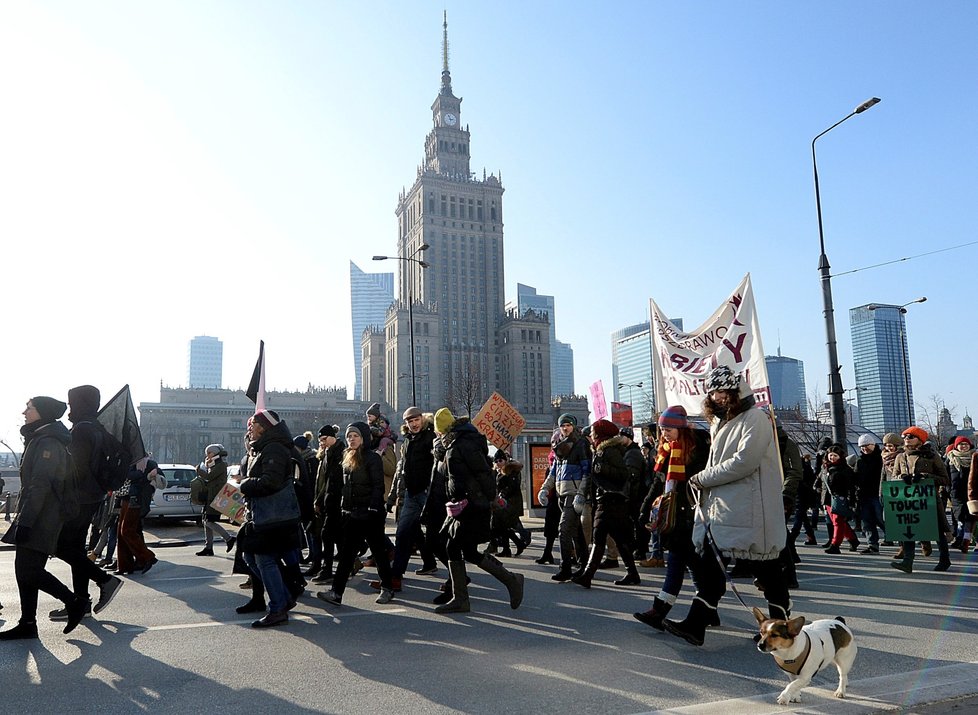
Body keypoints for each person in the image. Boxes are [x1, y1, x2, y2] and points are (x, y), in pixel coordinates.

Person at [663, 366, 790, 647]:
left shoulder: (755, 418)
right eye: (712, 392)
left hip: (752, 509)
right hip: (727, 509)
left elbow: (745, 461)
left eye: (721, 390)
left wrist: (701, 479)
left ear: (734, 390)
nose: (716, 396)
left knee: (767, 570)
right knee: (712, 566)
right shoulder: (721, 423)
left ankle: (780, 625)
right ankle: (697, 624)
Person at [0, 397, 89, 640]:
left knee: (29, 570)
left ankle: (73, 602)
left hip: (43, 516)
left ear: (43, 412)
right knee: (24, 570)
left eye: (29, 408)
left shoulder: (48, 442)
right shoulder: (40, 438)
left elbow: (40, 485)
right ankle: (28, 623)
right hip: (37, 513)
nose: (24, 412)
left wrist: (26, 522)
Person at [429, 407, 524, 614]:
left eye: (437, 432)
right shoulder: (454, 445)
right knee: (465, 550)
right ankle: (509, 581)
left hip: (473, 505)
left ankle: (463, 598)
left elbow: (483, 473)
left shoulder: (462, 445)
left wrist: (491, 499)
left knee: (454, 547)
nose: (436, 436)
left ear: (443, 430)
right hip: (463, 504)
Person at [633, 405, 710, 629]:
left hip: (691, 512)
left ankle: (659, 610)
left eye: (668, 429)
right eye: (662, 429)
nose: (664, 434)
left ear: (680, 427)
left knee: (677, 561)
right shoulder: (666, 450)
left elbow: (698, 479)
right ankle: (707, 608)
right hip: (673, 513)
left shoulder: (697, 447)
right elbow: (659, 482)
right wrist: (645, 507)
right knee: (692, 563)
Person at [51, 385, 123, 621]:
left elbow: (75, 469)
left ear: (80, 404)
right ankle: (81, 602)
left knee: (61, 546)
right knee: (76, 549)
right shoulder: (97, 427)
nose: (69, 408)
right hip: (93, 496)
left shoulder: (81, 430)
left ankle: (105, 580)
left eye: (72, 404)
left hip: (79, 498)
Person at [236, 409, 303, 627]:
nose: (249, 427)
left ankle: (278, 608)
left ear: (264, 427)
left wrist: (245, 484)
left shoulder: (274, 448)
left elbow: (270, 482)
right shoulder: (266, 447)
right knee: (250, 557)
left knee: (264, 559)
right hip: (264, 515)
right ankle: (283, 598)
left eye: (253, 423)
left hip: (274, 517)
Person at [316, 422, 396, 606]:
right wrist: (344, 508)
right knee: (346, 555)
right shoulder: (347, 456)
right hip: (352, 514)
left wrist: (374, 509)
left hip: (370, 515)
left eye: (355, 436)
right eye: (349, 436)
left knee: (378, 553)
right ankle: (336, 593)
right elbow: (346, 487)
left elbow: (378, 486)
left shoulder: (372, 458)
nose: (351, 439)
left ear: (364, 438)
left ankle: (387, 588)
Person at [570, 419, 641, 588]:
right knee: (617, 537)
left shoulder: (610, 450)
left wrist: (602, 469)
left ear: (601, 434)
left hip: (611, 500)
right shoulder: (600, 450)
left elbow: (622, 474)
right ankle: (632, 573)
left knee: (599, 535)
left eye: (594, 431)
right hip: (606, 500)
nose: (592, 434)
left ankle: (588, 574)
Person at [374, 407, 437, 593]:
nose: (413, 424)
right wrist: (394, 497)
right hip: (411, 494)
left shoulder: (431, 437)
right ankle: (394, 578)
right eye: (410, 421)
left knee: (438, 538)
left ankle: (457, 577)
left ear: (422, 420)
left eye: (416, 420)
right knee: (402, 535)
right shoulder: (408, 441)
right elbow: (402, 471)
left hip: (428, 494)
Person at [537, 413, 591, 581]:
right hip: (562, 493)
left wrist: (581, 494)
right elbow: (554, 471)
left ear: (573, 426)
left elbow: (586, 472)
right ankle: (584, 564)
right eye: (562, 425)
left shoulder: (580, 444)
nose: (565, 428)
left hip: (572, 494)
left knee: (564, 530)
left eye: (568, 425)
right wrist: (544, 489)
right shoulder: (560, 445)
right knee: (575, 531)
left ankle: (565, 568)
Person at [891, 426, 951, 573]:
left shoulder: (931, 455)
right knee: (909, 529)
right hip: (908, 500)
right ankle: (907, 562)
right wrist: (901, 478)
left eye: (911, 437)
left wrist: (925, 477)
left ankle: (944, 559)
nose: (906, 439)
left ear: (920, 440)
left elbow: (945, 479)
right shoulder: (900, 457)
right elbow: (893, 477)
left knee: (936, 530)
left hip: (928, 500)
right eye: (905, 437)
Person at [310, 425, 345, 584]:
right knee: (335, 535)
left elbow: (331, 480)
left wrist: (319, 499)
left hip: (336, 500)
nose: (322, 443)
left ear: (333, 437)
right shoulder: (326, 454)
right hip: (327, 500)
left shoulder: (339, 453)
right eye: (320, 440)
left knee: (327, 534)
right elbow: (321, 480)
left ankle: (327, 569)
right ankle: (346, 564)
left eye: (324, 439)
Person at [116, 457, 160, 575]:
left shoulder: (149, 463)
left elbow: (129, 475)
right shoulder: (129, 461)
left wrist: (141, 475)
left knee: (126, 530)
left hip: (136, 499)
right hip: (126, 497)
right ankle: (125, 566)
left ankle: (147, 557)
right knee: (122, 532)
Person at [194, 443, 235, 556]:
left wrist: (199, 470)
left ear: (215, 453)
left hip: (216, 496)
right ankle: (208, 547)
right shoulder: (214, 463)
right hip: (210, 495)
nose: (207, 455)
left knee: (209, 521)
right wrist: (206, 467)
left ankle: (229, 538)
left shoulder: (221, 464)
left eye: (209, 453)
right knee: (206, 521)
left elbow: (209, 477)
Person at [490, 450, 530, 558]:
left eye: (500, 460)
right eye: (496, 461)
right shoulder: (498, 471)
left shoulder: (511, 470)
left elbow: (513, 487)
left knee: (504, 526)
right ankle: (510, 547)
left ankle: (516, 545)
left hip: (510, 503)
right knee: (503, 527)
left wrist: (502, 495)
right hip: (502, 503)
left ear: (505, 460)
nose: (498, 462)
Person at [821, 445, 859, 554]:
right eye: (831, 455)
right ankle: (853, 540)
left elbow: (851, 486)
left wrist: (851, 501)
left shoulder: (845, 469)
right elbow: (821, 479)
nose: (832, 457)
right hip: (828, 498)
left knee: (838, 521)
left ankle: (835, 544)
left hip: (840, 498)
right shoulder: (825, 467)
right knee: (837, 521)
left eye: (835, 455)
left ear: (840, 456)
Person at [854, 434, 885, 554]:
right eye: (862, 446)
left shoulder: (881, 458)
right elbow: (856, 477)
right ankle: (872, 545)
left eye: (867, 445)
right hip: (864, 495)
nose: (864, 448)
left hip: (878, 494)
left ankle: (899, 540)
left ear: (873, 445)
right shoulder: (860, 461)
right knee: (867, 521)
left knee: (881, 519)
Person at [947, 437, 974, 553]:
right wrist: (948, 490)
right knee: (960, 517)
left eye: (966, 444)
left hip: (971, 493)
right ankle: (960, 538)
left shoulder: (974, 458)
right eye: (961, 444)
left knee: (970, 518)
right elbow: (946, 475)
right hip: (956, 493)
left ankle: (965, 541)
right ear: (956, 446)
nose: (963, 446)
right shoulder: (950, 459)